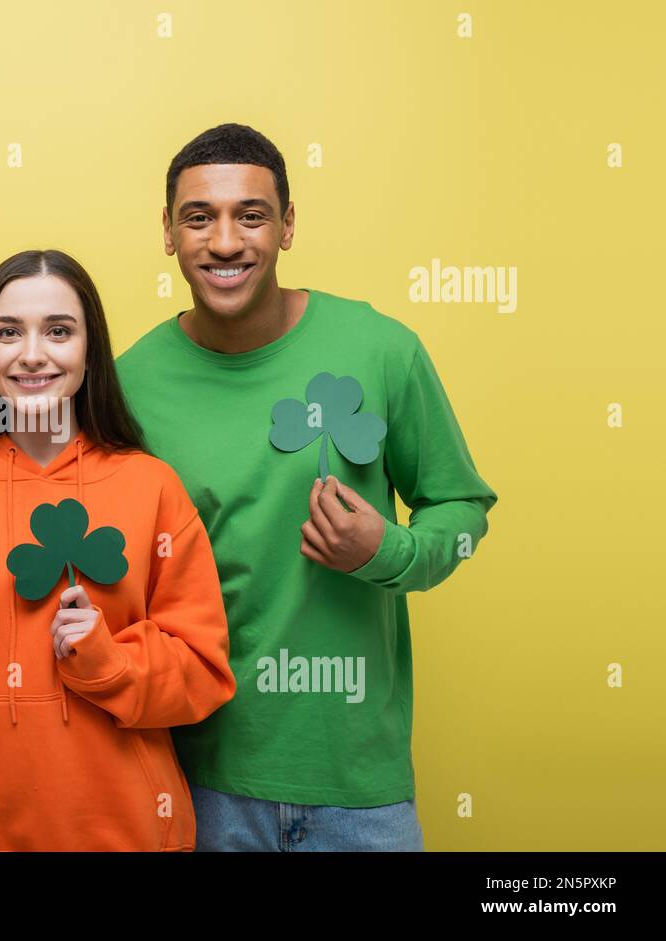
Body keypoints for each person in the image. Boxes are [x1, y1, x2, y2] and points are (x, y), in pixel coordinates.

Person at [116, 124, 498, 851]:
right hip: (199, 783)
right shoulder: (128, 383)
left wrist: (387, 549)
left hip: (359, 791)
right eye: (198, 216)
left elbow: (463, 510)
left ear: (288, 226)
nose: (225, 241)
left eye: (251, 215)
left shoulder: (380, 348)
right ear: (167, 232)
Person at [0, 249, 236, 851]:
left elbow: (204, 671)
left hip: (131, 833)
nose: (33, 354)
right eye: (9, 332)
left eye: (59, 331)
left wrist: (110, 663)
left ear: (90, 349)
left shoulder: (151, 486)